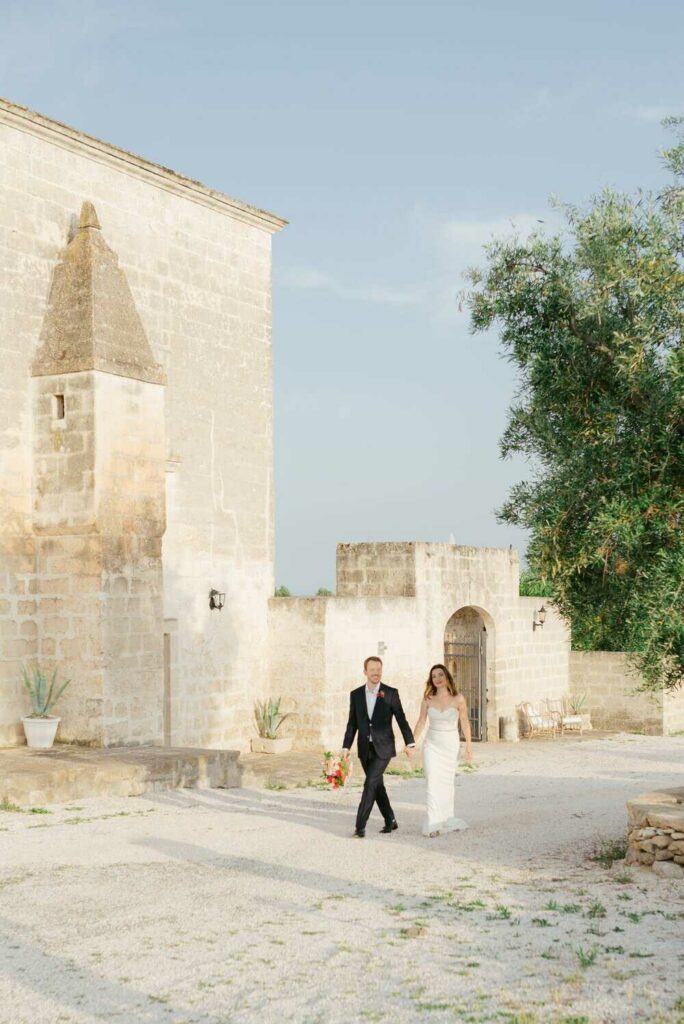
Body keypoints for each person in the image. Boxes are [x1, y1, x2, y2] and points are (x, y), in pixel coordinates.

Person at [341, 656, 415, 838]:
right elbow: (352, 724)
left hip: (384, 748)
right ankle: (390, 819)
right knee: (377, 785)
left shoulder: (390, 693)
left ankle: (360, 826)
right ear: (365, 671)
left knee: (370, 783)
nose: (376, 673)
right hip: (365, 748)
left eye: (378, 669)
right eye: (372, 669)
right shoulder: (356, 694)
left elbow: (401, 718)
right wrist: (345, 747)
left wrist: (410, 742)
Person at [412, 663, 473, 838]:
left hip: (450, 745)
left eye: (440, 675)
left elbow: (465, 722)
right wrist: (412, 743)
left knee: (446, 784)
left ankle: (445, 818)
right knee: (432, 781)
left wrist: (469, 745)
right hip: (432, 744)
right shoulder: (427, 699)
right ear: (431, 680)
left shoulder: (458, 698)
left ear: (446, 677)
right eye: (434, 676)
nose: (437, 679)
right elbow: (421, 721)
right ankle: (432, 823)